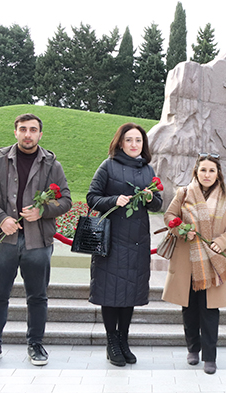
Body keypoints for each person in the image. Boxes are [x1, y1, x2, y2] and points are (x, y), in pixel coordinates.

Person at [0, 113, 72, 367]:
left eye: (33, 130)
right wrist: (1, 217)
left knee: (37, 296)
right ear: (15, 132)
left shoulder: (52, 165)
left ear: (40, 134)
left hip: (38, 242)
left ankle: (35, 345)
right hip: (2, 239)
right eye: (23, 129)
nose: (28, 134)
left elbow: (66, 201)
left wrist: (43, 211)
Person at [87, 123, 163, 367]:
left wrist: (151, 197)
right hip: (112, 240)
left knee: (129, 292)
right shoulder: (108, 166)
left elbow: (158, 203)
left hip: (137, 241)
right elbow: (92, 197)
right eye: (129, 140)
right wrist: (114, 199)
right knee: (111, 293)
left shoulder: (148, 170)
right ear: (120, 142)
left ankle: (124, 340)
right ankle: (112, 342)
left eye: (138, 141)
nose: (133, 144)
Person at [162, 154, 226, 374]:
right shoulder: (183, 193)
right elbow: (169, 216)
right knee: (189, 308)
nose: (207, 175)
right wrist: (181, 229)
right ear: (196, 171)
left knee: (210, 310)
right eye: (203, 170)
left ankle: (210, 356)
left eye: (211, 170)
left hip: (214, 260)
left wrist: (222, 241)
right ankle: (193, 349)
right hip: (188, 259)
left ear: (218, 174)